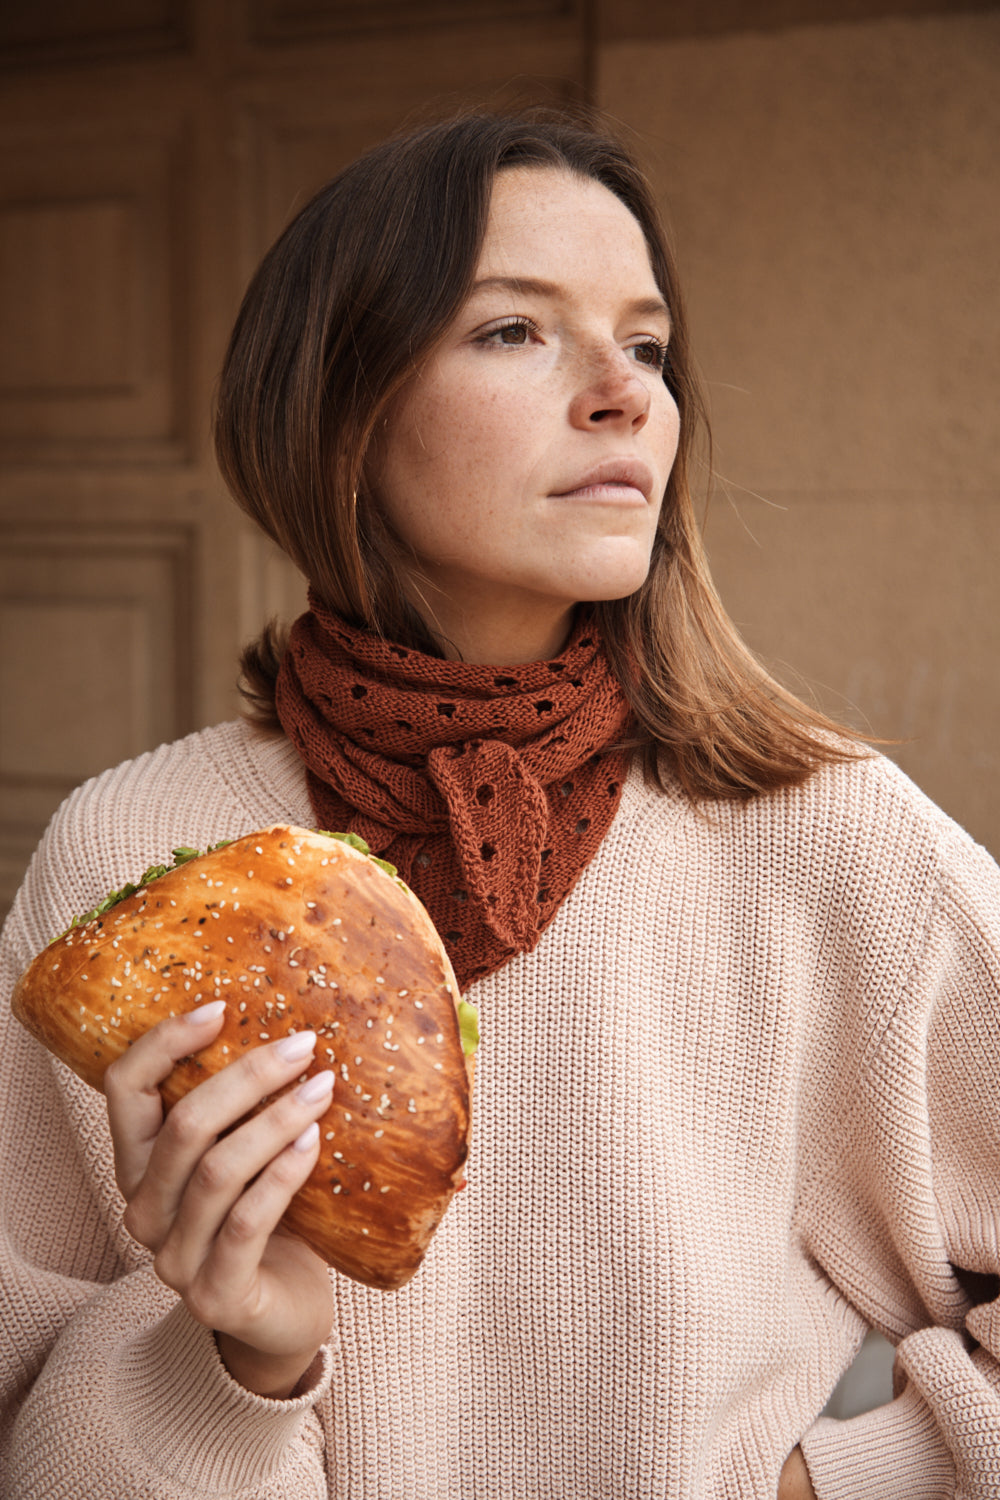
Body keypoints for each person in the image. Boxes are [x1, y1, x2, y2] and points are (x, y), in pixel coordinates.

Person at [1, 108, 998, 1500]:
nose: (624, 394)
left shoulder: (824, 838)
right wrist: (235, 1368)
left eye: (646, 345)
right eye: (515, 331)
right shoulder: (133, 869)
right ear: (339, 404)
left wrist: (855, 1478)